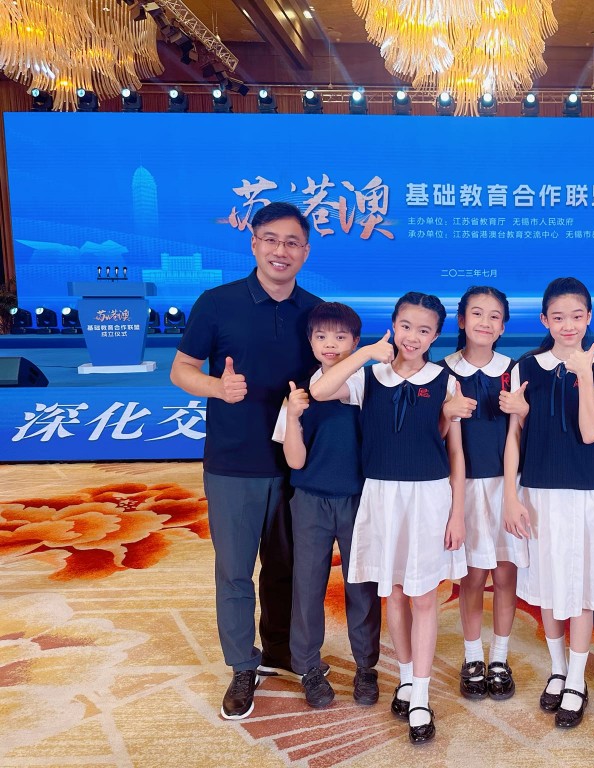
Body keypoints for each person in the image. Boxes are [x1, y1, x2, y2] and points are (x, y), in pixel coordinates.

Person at [170, 201, 321, 720]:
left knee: (287, 567)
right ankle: (241, 665)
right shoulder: (217, 303)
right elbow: (181, 369)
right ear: (254, 243)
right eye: (271, 239)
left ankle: (280, 650)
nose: (281, 250)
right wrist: (218, 386)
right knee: (235, 572)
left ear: (305, 251)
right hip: (233, 462)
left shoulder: (316, 313)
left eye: (292, 242)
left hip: (296, 464)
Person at [310, 292, 467, 744]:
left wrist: (457, 512)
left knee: (423, 597)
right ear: (393, 327)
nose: (413, 337)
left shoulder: (446, 381)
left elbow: (456, 453)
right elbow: (320, 390)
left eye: (424, 330)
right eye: (406, 326)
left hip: (429, 497)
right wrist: (364, 353)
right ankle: (406, 677)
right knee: (394, 594)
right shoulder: (369, 375)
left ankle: (421, 696)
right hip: (381, 496)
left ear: (436, 336)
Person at [503, 276, 594, 729]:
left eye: (576, 316)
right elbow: (515, 435)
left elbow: (591, 433)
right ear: (544, 320)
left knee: (580, 586)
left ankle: (576, 679)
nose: (568, 325)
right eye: (558, 317)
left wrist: (584, 375)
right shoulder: (526, 367)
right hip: (537, 492)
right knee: (548, 585)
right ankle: (557, 668)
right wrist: (511, 495)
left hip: (584, 492)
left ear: (589, 318)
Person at [271, 302, 382, 710]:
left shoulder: (366, 382)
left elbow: (332, 388)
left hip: (357, 500)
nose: (330, 344)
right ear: (310, 341)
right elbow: (295, 461)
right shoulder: (298, 391)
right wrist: (294, 417)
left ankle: (366, 666)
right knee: (307, 585)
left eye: (340, 336)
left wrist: (363, 358)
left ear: (356, 341)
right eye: (321, 336)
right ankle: (308, 668)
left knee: (362, 586)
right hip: (310, 502)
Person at [440, 286, 529, 703]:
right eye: (477, 313)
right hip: (464, 487)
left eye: (495, 316)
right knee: (473, 575)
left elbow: (518, 435)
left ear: (504, 326)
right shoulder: (442, 372)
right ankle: (473, 656)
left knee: (506, 573)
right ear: (461, 320)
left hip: (507, 486)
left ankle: (500, 658)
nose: (485, 322)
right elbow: (442, 441)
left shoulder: (515, 371)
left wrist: (511, 495)